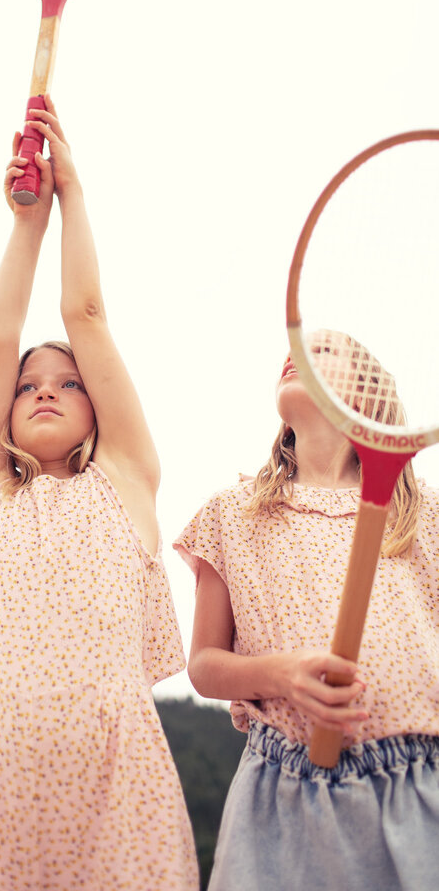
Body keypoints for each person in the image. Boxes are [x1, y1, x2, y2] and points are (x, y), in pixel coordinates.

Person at [0, 97, 198, 891]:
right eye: (29, 384)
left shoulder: (126, 481)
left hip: (113, 778)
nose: (43, 389)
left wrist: (72, 194)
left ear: (98, 409)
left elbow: (85, 314)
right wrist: (24, 221)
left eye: (68, 383)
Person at [175, 331, 439, 891]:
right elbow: (203, 664)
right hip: (286, 782)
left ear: (366, 399)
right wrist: (282, 675)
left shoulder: (423, 520)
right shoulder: (235, 514)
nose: (298, 349)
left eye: (326, 350)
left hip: (420, 781)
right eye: (296, 346)